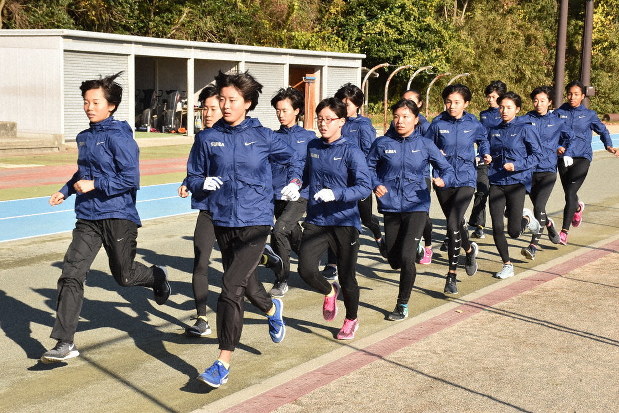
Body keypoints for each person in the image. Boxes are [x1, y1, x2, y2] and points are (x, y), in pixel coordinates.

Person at [40, 72, 171, 363]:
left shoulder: (119, 137)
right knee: (71, 274)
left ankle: (156, 276)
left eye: (95, 102)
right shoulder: (84, 137)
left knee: (124, 276)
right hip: (88, 217)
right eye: (86, 102)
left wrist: (96, 184)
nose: (89, 107)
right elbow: (83, 172)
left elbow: (130, 179)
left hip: (118, 215)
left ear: (111, 105)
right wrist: (66, 190)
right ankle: (64, 342)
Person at [187, 71, 302, 388]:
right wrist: (201, 183)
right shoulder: (207, 138)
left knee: (230, 287)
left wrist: (294, 182)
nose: (225, 105)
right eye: (222, 99)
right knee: (248, 286)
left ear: (248, 103)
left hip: (256, 221)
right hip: (223, 220)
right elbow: (192, 176)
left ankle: (222, 362)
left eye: (232, 100)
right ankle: (271, 308)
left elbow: (295, 159)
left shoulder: (264, 136)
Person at [368, 99, 454, 320]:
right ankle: (415, 250)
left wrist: (442, 179)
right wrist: (375, 184)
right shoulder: (382, 143)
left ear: (416, 120)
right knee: (394, 260)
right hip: (390, 206)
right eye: (396, 116)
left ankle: (402, 304)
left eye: (405, 117)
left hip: (417, 205)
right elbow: (367, 168)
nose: (400, 121)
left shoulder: (425, 144)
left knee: (406, 258)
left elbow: (446, 168)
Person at [297, 97, 372, 340]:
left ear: (341, 121)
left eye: (329, 119)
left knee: (348, 276)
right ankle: (330, 291)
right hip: (317, 219)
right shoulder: (313, 146)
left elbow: (364, 187)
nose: (323, 123)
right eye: (320, 119)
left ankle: (351, 319)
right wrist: (295, 185)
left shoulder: (351, 151)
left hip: (344, 221)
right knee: (306, 269)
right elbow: (305, 176)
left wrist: (337, 194)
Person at [424, 84, 490, 294]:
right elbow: (426, 146)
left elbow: (483, 140)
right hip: (443, 180)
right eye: (448, 102)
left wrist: (485, 153)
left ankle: (451, 276)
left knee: (452, 223)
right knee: (457, 223)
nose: (452, 106)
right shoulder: (437, 123)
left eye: (457, 102)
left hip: (465, 179)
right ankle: (469, 250)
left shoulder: (473, 123)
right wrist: (436, 154)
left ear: (466, 104)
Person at [318, 83, 381, 281]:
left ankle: (378, 234)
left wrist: (368, 179)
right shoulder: (333, 120)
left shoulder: (363, 126)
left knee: (365, 219)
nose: (344, 107)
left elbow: (371, 155)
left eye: (348, 104)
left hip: (357, 182)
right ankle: (332, 264)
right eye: (342, 103)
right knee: (334, 220)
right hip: (335, 181)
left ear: (357, 105)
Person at [554, 80, 618, 244]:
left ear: (582, 96)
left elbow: (603, 130)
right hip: (563, 157)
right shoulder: (559, 113)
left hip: (582, 157)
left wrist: (609, 145)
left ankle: (564, 232)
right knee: (569, 192)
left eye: (576, 94)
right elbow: (550, 132)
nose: (572, 97)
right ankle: (577, 208)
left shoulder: (589, 115)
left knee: (570, 192)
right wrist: (557, 146)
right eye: (569, 94)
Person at [487, 92, 542, 279]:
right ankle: (507, 264)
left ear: (517, 109)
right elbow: (489, 151)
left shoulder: (525, 129)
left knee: (514, 232)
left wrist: (516, 165)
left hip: (517, 182)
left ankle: (527, 219)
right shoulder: (494, 130)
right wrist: (485, 157)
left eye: (509, 107)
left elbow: (537, 156)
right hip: (496, 181)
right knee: (496, 226)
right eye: (501, 107)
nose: (504, 111)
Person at [268, 87, 316, 297]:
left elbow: (314, 166)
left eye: (285, 110)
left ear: (297, 111)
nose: (280, 114)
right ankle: (310, 262)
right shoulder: (271, 137)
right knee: (292, 232)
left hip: (300, 194)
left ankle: (281, 279)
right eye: (278, 110)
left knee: (279, 230)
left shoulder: (309, 138)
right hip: (276, 194)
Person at [518, 86, 574, 259]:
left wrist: (564, 149)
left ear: (550, 102)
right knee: (539, 209)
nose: (538, 104)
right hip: (529, 171)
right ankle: (548, 224)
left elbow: (570, 136)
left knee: (539, 207)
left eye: (542, 101)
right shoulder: (525, 119)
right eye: (535, 100)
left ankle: (533, 246)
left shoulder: (557, 121)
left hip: (548, 170)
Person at [388, 90, 433, 264]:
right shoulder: (396, 124)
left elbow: (434, 149)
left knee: (422, 215)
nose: (407, 104)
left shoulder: (426, 127)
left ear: (419, 105)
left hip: (421, 175)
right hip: (398, 178)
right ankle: (408, 244)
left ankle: (426, 246)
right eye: (404, 100)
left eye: (412, 101)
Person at [468, 80, 508, 240]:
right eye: (488, 97)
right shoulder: (483, 115)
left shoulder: (506, 114)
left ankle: (510, 212)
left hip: (501, 160)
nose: (490, 100)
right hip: (484, 158)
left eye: (493, 97)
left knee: (501, 193)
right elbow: (480, 136)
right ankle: (479, 226)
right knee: (481, 190)